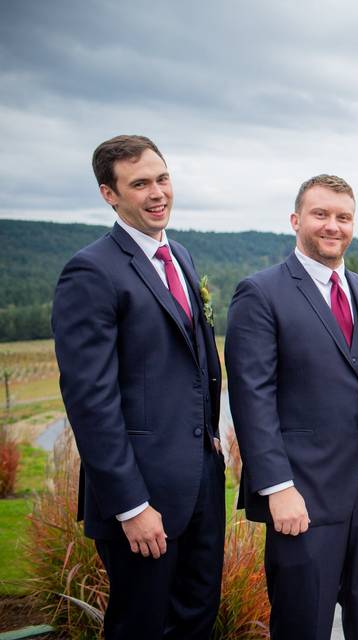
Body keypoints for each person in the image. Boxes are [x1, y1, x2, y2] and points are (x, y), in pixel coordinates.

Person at [52, 135, 224, 639]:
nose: (157, 193)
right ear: (110, 194)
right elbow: (91, 402)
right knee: (141, 626)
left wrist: (210, 437)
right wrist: (130, 505)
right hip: (142, 497)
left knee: (197, 618)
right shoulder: (91, 271)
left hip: (200, 484)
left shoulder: (182, 257)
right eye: (140, 184)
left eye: (162, 178)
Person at [225, 174, 358, 640]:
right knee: (304, 623)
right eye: (320, 214)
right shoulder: (260, 293)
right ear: (295, 220)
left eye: (343, 217)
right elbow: (252, 399)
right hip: (302, 496)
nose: (333, 226)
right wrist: (277, 488)